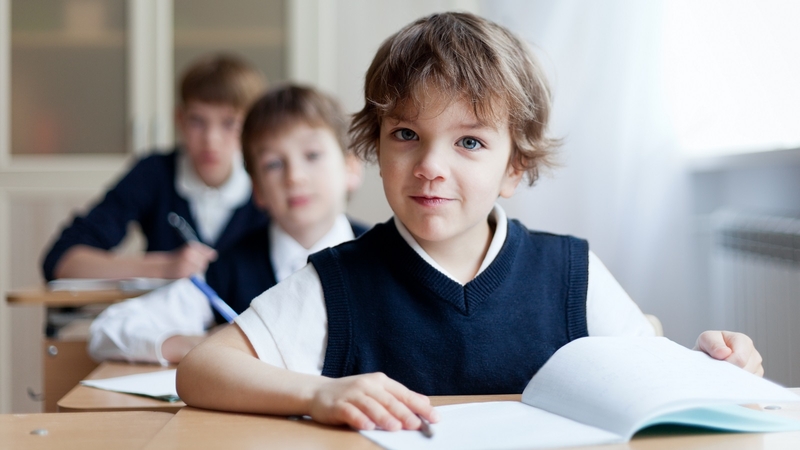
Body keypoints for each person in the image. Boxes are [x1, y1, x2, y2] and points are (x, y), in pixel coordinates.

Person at [176, 12, 764, 433]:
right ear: (376, 150)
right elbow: (202, 369)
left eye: (470, 142)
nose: (430, 166)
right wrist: (320, 393)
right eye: (406, 135)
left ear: (514, 168)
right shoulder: (339, 280)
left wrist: (715, 364)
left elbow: (646, 370)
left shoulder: (569, 271)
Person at [88, 85, 367, 365]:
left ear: (350, 168)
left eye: (312, 155)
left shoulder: (388, 257)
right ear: (256, 189)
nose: (294, 177)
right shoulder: (230, 268)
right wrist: (199, 345)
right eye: (273, 164)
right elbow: (107, 330)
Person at [42, 54, 268, 281]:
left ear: (251, 128)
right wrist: (163, 268)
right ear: (179, 119)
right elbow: (63, 261)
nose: (211, 140)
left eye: (229, 123)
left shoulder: (268, 180)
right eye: (197, 121)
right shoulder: (154, 173)